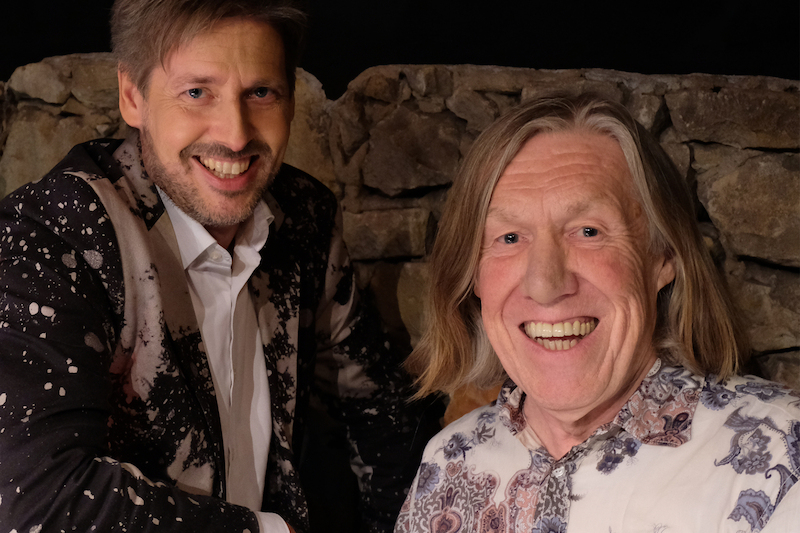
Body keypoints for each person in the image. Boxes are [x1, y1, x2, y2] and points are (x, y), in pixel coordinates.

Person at [0, 1, 441, 532]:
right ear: (133, 96)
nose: (235, 135)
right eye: (196, 92)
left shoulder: (303, 216)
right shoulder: (54, 232)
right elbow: (35, 500)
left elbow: (382, 420)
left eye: (261, 92)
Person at [395, 94, 800, 532]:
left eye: (588, 231)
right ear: (473, 275)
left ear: (663, 256)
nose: (545, 284)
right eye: (509, 238)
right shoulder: (448, 463)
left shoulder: (782, 454)